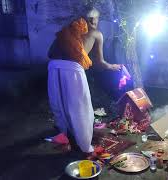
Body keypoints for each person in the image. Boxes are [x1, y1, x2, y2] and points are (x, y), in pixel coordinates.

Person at [47, 6, 121, 153]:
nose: (96, 21)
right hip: (73, 70)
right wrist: (113, 67)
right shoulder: (96, 33)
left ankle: (66, 135)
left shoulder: (68, 30)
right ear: (94, 19)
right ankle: (86, 147)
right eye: (96, 18)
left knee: (60, 104)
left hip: (53, 67)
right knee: (81, 108)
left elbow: (50, 53)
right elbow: (100, 63)